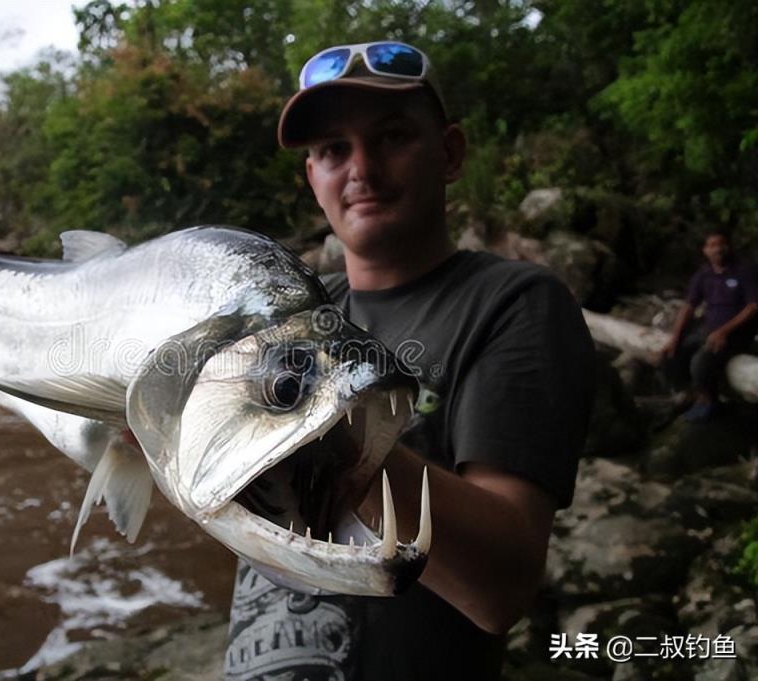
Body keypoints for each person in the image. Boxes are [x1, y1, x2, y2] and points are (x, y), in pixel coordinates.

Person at [222, 42, 595, 680]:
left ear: (449, 153)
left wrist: (321, 427)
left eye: (392, 136)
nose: (361, 168)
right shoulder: (288, 316)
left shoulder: (514, 304)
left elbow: (502, 589)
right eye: (333, 150)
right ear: (311, 177)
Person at [661, 232, 758, 422]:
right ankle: (685, 393)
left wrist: (724, 331)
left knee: (701, 361)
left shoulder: (745, 271)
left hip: (736, 332)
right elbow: (689, 306)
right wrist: (674, 338)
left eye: (721, 244)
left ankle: (709, 401)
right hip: (708, 328)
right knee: (670, 354)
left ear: (729, 247)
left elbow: (753, 306)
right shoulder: (704, 274)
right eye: (712, 245)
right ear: (705, 251)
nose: (717, 249)